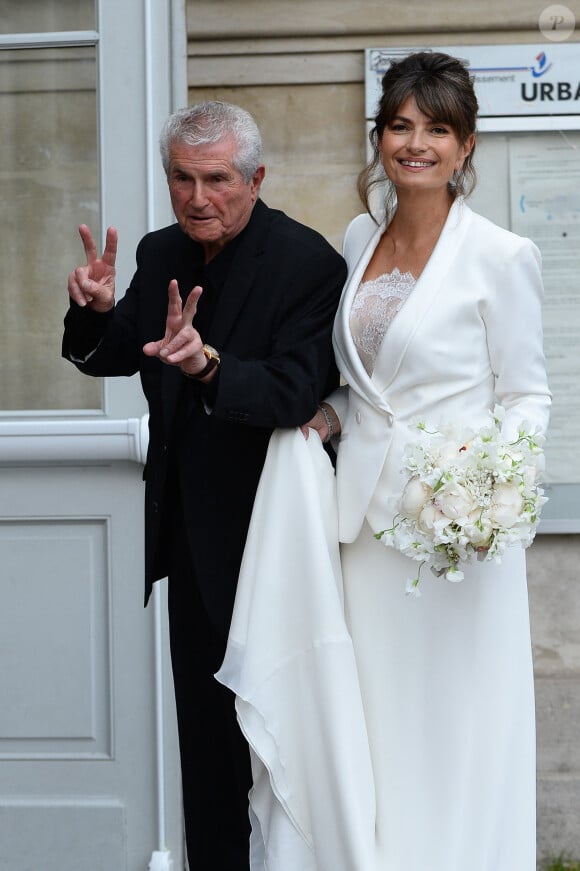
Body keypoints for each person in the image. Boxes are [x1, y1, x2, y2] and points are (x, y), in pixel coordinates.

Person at [62, 100, 346, 870]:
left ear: (256, 178)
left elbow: (296, 387)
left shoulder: (307, 262)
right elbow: (123, 347)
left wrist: (208, 365)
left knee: (280, 747)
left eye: (217, 179)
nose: (198, 197)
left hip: (276, 542)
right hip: (189, 544)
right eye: (182, 179)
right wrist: (90, 315)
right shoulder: (160, 253)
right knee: (207, 762)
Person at [301, 51, 551, 870]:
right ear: (379, 137)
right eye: (401, 125)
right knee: (381, 720)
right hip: (365, 532)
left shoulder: (501, 256)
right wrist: (323, 417)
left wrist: (489, 493)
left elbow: (526, 396)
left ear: (466, 145)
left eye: (436, 129)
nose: (416, 144)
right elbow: (362, 383)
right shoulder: (357, 236)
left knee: (460, 722)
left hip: (457, 539)